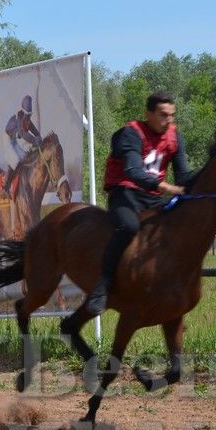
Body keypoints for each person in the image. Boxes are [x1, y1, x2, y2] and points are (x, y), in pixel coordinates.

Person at [84, 91, 194, 315]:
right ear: (149, 114)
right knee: (128, 227)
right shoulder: (130, 133)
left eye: (172, 115)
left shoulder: (174, 136)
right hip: (125, 192)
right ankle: (102, 287)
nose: (169, 121)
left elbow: (184, 177)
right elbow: (133, 171)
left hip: (153, 197)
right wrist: (164, 186)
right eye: (163, 115)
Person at [1, 95, 41, 200]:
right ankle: (4, 188)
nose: (29, 118)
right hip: (7, 139)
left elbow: (34, 130)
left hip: (13, 140)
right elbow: (23, 134)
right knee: (16, 160)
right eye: (27, 115)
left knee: (25, 159)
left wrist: (39, 137)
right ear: (23, 112)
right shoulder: (18, 119)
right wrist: (34, 140)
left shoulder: (26, 119)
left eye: (30, 115)